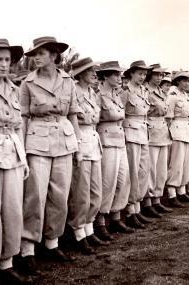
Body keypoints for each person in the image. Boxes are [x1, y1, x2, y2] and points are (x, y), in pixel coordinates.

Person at [20, 36, 81, 272]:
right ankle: (27, 249)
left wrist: (78, 145)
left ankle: (52, 242)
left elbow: (73, 114)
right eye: (33, 55)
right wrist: (23, 151)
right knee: (35, 196)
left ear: (54, 55)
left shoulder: (68, 81)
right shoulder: (28, 83)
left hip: (64, 140)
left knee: (60, 194)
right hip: (37, 142)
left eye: (40, 54)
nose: (35, 58)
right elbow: (23, 118)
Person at [0, 38, 32, 285]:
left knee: (12, 209)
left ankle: (7, 263)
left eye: (7, 60)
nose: (4, 65)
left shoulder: (13, 88)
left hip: (12, 153)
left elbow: (18, 127)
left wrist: (23, 158)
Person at [67, 57, 108, 255]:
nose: (94, 74)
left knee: (95, 190)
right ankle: (78, 232)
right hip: (80, 136)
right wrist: (76, 143)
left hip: (93, 137)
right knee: (80, 191)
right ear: (80, 73)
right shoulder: (73, 90)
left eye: (94, 70)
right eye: (90, 71)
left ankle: (89, 229)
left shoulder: (93, 93)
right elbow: (71, 117)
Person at [95, 61, 134, 235]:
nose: (120, 78)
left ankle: (116, 215)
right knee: (107, 181)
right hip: (106, 139)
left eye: (120, 75)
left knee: (122, 179)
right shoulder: (98, 95)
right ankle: (100, 220)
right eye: (116, 75)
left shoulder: (116, 94)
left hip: (119, 139)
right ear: (105, 76)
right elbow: (93, 121)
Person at [121, 60, 152, 228]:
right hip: (130, 133)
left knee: (142, 171)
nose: (142, 77)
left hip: (142, 132)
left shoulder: (143, 91)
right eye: (139, 73)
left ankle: (137, 208)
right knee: (132, 172)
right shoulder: (125, 91)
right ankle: (130, 211)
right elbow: (120, 115)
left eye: (144, 74)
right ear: (131, 74)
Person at [143, 64, 173, 215]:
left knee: (161, 169)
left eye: (161, 75)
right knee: (151, 168)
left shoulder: (162, 92)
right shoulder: (145, 91)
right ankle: (148, 201)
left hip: (162, 131)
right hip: (151, 130)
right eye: (157, 75)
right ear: (149, 75)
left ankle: (157, 198)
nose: (160, 78)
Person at [165, 71, 189, 206]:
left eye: (188, 81)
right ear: (177, 81)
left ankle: (182, 191)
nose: (187, 83)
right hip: (177, 129)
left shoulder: (185, 95)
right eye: (184, 81)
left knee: (186, 162)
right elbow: (168, 116)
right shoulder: (172, 96)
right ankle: (172, 193)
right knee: (176, 162)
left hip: (187, 129)